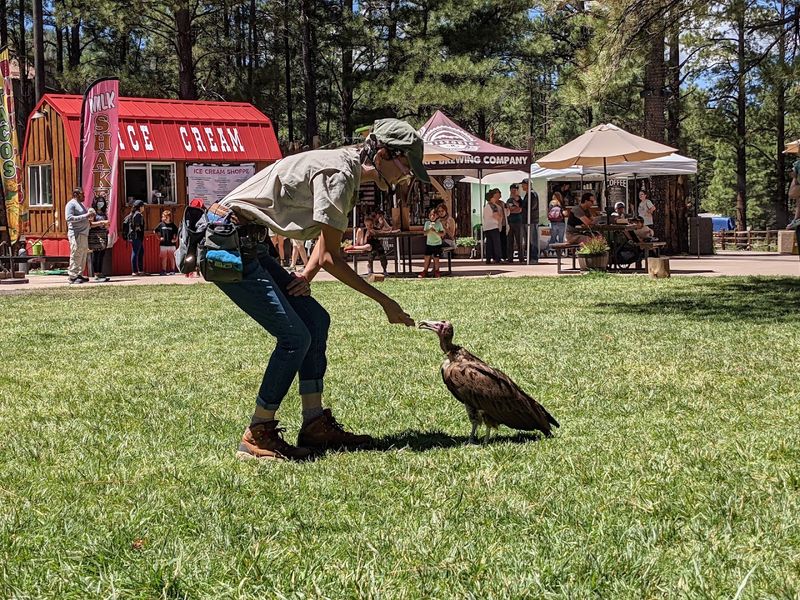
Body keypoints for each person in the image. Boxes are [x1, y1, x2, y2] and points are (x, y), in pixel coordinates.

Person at [210, 117, 424, 461]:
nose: (407, 175)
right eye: (405, 165)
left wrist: (305, 277)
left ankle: (314, 424)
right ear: (383, 153)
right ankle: (257, 433)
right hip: (224, 244)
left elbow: (323, 250)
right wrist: (386, 302)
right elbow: (330, 258)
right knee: (295, 337)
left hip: (250, 242)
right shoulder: (339, 174)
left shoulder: (347, 170)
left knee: (315, 320)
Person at [65, 188, 94, 284]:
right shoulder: (71, 204)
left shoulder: (81, 205)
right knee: (76, 253)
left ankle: (79, 274)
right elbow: (69, 218)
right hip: (76, 233)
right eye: (82, 194)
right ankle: (72, 276)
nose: (84, 196)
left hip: (84, 233)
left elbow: (85, 216)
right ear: (76, 194)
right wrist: (86, 215)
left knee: (83, 254)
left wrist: (89, 214)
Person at [88, 195, 111, 282]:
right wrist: (101, 222)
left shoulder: (104, 213)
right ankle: (96, 273)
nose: (100, 203)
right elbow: (90, 224)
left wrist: (106, 225)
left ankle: (100, 272)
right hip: (95, 236)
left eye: (102, 201)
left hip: (103, 235)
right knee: (96, 254)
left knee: (102, 255)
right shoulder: (92, 212)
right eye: (99, 201)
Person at [418, 208, 444, 278]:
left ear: (437, 216)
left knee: (436, 258)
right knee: (427, 257)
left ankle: (437, 271)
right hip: (429, 243)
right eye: (431, 215)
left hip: (437, 244)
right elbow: (424, 233)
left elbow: (442, 234)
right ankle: (425, 271)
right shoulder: (427, 223)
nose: (432, 216)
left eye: (434, 215)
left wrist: (435, 231)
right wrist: (429, 230)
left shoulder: (439, 224)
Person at [155, 209, 179, 275]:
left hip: (171, 244)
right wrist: (159, 238)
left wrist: (176, 239)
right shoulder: (161, 225)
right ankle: (164, 270)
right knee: (164, 258)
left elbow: (177, 233)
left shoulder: (173, 225)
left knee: (172, 257)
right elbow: (155, 231)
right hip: (163, 244)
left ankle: (173, 270)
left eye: (164, 216)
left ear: (169, 217)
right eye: (162, 217)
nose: (163, 218)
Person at [482, 189, 503, 264]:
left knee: (489, 244)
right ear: (491, 198)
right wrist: (500, 217)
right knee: (496, 244)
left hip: (487, 227)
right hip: (494, 226)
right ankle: (498, 258)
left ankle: (488, 259)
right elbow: (496, 215)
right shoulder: (493, 206)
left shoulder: (485, 206)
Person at [506, 184, 525, 262]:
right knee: (510, 241)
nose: (513, 192)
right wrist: (515, 208)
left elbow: (520, 209)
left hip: (518, 222)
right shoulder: (509, 200)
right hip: (510, 222)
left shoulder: (521, 200)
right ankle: (510, 258)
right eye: (512, 190)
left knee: (519, 241)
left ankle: (521, 258)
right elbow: (508, 210)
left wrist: (515, 207)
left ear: (517, 190)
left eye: (515, 190)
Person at [129, 200, 146, 275]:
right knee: (135, 252)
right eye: (143, 206)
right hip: (137, 236)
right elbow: (136, 226)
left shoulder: (132, 214)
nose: (143, 208)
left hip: (134, 236)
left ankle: (140, 270)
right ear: (140, 207)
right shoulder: (138, 214)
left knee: (140, 252)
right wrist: (138, 228)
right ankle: (135, 271)